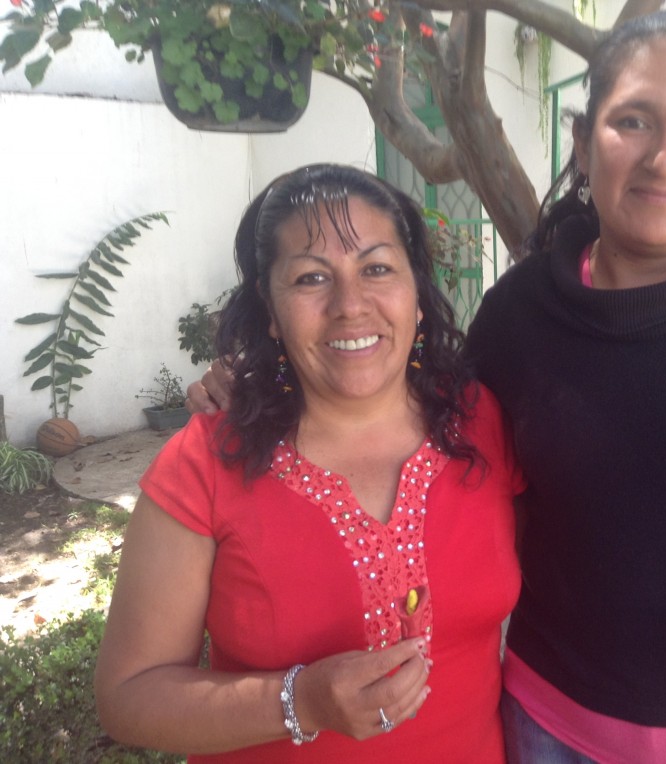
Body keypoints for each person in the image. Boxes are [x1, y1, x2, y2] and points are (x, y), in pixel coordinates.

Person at [189, 12, 666, 763]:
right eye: (634, 121)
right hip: (555, 733)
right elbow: (402, 408)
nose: (665, 157)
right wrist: (260, 383)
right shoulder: (518, 314)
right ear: (585, 141)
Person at [94, 164, 522, 763]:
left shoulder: (480, 424)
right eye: (311, 278)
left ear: (418, 295)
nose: (350, 305)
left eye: (377, 268)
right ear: (270, 311)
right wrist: (301, 702)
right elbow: (127, 695)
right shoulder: (207, 462)